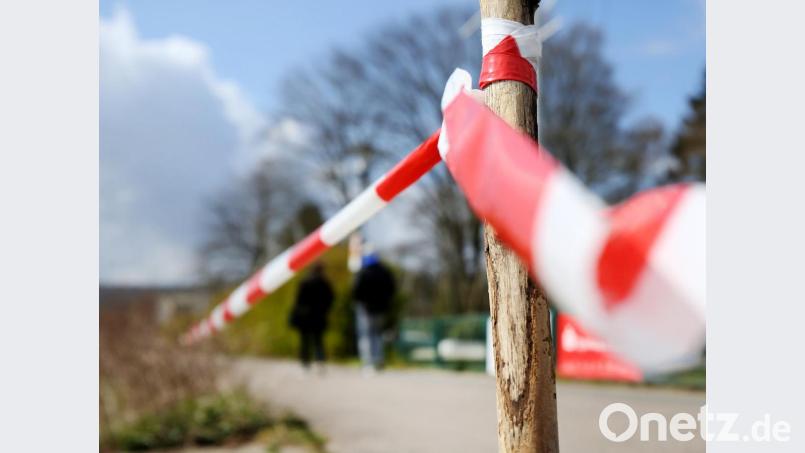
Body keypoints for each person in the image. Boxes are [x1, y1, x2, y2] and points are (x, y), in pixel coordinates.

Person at [352, 252, 396, 372]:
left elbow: (356, 291)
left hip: (366, 309)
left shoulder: (363, 273)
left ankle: (368, 362)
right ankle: (379, 359)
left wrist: (360, 301)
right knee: (377, 334)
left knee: (366, 335)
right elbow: (392, 289)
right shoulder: (385, 272)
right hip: (381, 308)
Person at [289, 262, 334, 371]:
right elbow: (331, 298)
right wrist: (325, 310)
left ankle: (305, 363)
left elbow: (298, 300)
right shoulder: (325, 283)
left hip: (305, 316)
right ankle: (320, 361)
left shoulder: (305, 282)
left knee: (305, 340)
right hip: (319, 316)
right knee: (318, 340)